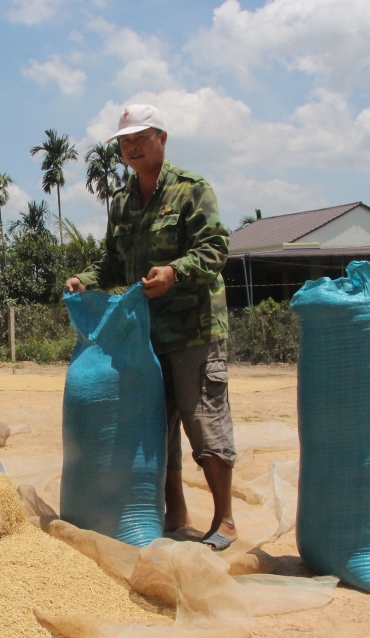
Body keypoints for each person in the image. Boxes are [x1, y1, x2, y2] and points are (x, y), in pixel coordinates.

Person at [64, 104, 238, 551]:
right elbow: (110, 261)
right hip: (143, 337)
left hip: (194, 330)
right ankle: (174, 511)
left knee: (204, 422)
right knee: (152, 429)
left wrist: (174, 272)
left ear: (162, 137)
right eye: (125, 141)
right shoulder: (121, 201)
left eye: (141, 137)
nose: (132, 146)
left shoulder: (191, 190)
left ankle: (225, 520)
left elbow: (215, 248)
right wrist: (85, 279)